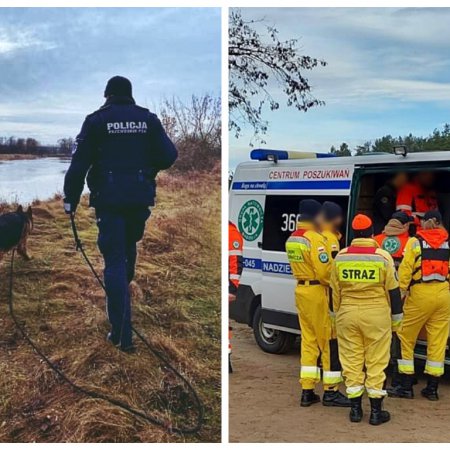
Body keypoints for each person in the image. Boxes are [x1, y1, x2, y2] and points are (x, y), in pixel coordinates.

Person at [63, 76, 177, 352]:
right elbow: (169, 155)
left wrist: (70, 199)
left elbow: (79, 164)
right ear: (130, 95)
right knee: (127, 248)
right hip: (138, 200)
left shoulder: (96, 121)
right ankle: (123, 301)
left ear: (107, 95)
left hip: (109, 201)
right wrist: (145, 169)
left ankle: (121, 332)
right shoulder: (147, 119)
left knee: (113, 259)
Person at [330, 214, 403, 425]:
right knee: (376, 361)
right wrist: (396, 322)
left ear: (354, 234)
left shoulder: (341, 257)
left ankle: (354, 411)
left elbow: (334, 292)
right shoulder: (383, 257)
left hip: (347, 314)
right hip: (376, 315)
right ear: (372, 233)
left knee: (351, 362)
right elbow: (394, 292)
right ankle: (376, 412)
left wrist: (335, 317)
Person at [286, 199, 350, 408]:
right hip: (318, 293)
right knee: (329, 340)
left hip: (301, 291)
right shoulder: (316, 239)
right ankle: (331, 391)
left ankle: (307, 390)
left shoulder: (293, 239)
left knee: (308, 340)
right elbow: (325, 273)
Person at [388, 210, 450, 401]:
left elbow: (405, 273)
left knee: (405, 336)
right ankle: (432, 388)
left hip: (420, 294)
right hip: (444, 295)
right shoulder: (448, 242)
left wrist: (399, 296)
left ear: (425, 223)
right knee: (438, 341)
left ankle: (406, 385)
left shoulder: (415, 242)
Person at [229, 221, 244, 373]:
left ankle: (226, 360)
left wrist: (233, 289)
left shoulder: (232, 233)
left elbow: (236, 262)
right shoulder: (229, 231)